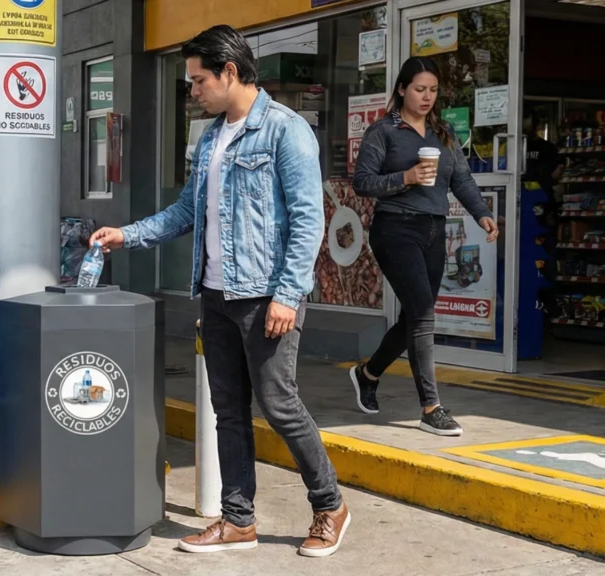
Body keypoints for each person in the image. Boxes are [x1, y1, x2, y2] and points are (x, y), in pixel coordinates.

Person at [89, 25, 348, 558]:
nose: (193, 91)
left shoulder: (285, 131)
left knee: (279, 404)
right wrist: (127, 235)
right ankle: (238, 521)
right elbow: (188, 211)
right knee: (228, 410)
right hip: (215, 293)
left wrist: (287, 293)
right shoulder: (210, 139)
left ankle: (330, 505)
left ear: (230, 72)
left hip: (266, 295)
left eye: (199, 80)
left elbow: (308, 220)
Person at [349, 57, 499, 436]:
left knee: (416, 316)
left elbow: (461, 180)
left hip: (434, 230)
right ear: (402, 89)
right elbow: (363, 182)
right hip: (395, 228)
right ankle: (431, 407)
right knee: (423, 314)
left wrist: (482, 214)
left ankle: (367, 374)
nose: (426, 97)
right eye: (419, 89)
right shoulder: (383, 131)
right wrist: (408, 177)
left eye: (432, 90)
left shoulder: (443, 132)